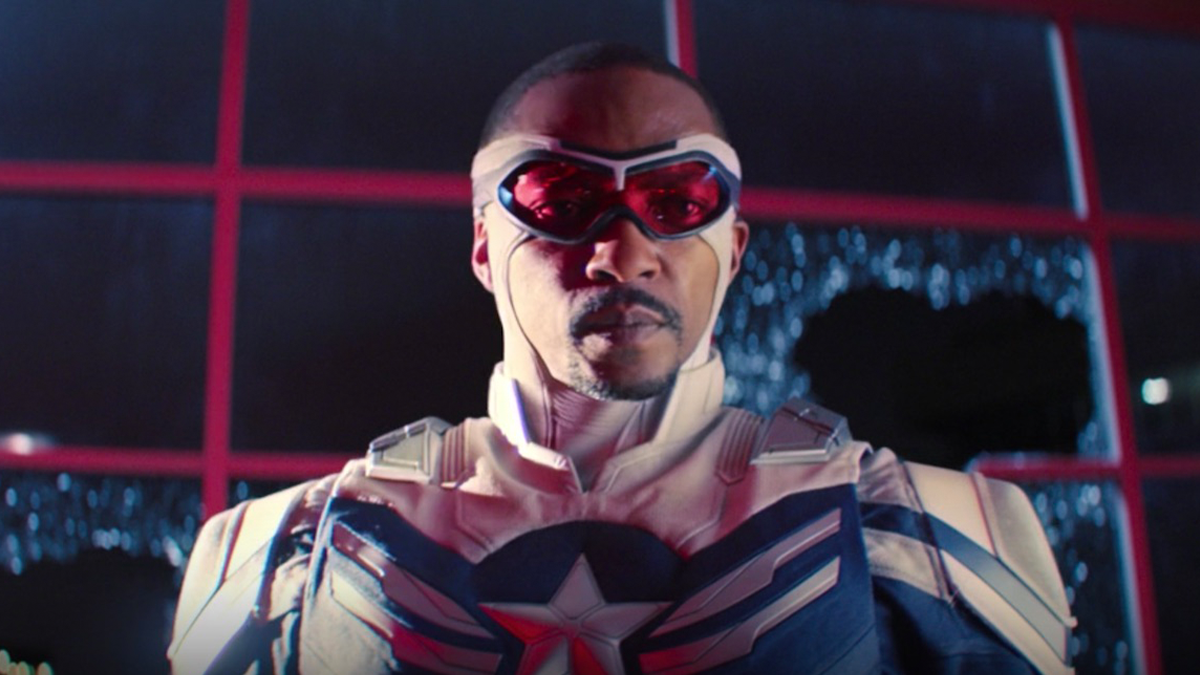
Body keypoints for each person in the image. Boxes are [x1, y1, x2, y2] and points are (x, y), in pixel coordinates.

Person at [168, 42, 1075, 675]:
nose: (623, 250)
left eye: (677, 199)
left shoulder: (926, 535)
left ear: (734, 247)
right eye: (559, 198)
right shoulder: (285, 555)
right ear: (484, 246)